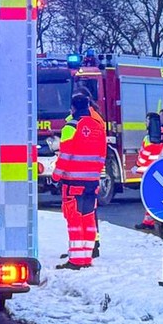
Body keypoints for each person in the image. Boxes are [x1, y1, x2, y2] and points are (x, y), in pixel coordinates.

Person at [51, 91, 106, 269]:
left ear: (72, 108)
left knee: (74, 221)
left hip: (73, 181)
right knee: (88, 219)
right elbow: (102, 155)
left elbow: (65, 155)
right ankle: (87, 258)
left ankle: (75, 260)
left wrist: (56, 175)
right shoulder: (98, 126)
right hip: (92, 182)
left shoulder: (71, 127)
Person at [134, 111, 163, 230]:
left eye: (147, 120)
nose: (145, 122)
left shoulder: (153, 136)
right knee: (151, 197)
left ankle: (150, 222)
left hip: (149, 171)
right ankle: (149, 221)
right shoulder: (155, 134)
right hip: (150, 170)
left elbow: (148, 155)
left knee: (151, 197)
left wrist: (138, 166)